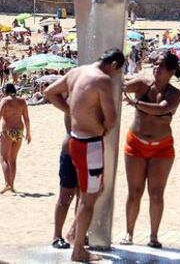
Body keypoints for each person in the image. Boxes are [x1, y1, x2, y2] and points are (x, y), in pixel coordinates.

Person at [45, 48, 125, 264]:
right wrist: (102, 128)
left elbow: (49, 92)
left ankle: (72, 233)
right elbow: (112, 118)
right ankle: (78, 249)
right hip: (90, 144)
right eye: (117, 72)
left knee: (91, 191)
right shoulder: (103, 80)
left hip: (74, 140)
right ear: (115, 65)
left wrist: (71, 111)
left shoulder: (77, 72)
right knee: (88, 199)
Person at [121, 51, 180, 249]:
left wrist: (135, 103)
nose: (157, 68)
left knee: (156, 193)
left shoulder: (175, 94)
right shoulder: (141, 85)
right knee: (135, 192)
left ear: (171, 71)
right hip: (135, 144)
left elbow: (162, 109)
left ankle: (153, 236)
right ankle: (128, 233)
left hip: (162, 148)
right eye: (155, 64)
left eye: (162, 66)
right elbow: (120, 87)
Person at [0, 83, 31, 194]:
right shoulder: (22, 101)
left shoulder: (5, 101)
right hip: (19, 131)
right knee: (13, 159)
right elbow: (26, 118)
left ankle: (7, 184)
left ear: (5, 91)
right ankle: (12, 185)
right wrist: (28, 133)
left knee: (3, 158)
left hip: (7, 131)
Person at [52, 112, 78, 250]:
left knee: (86, 195)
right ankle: (57, 235)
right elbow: (50, 92)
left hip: (90, 148)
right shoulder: (71, 97)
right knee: (65, 196)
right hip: (70, 150)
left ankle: (76, 231)